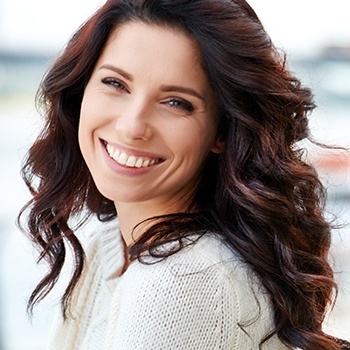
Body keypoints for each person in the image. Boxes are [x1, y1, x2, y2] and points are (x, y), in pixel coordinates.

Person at [18, 0, 350, 349]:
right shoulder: (107, 244)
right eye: (116, 83)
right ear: (80, 91)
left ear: (222, 132)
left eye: (176, 102)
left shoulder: (183, 283)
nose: (132, 127)